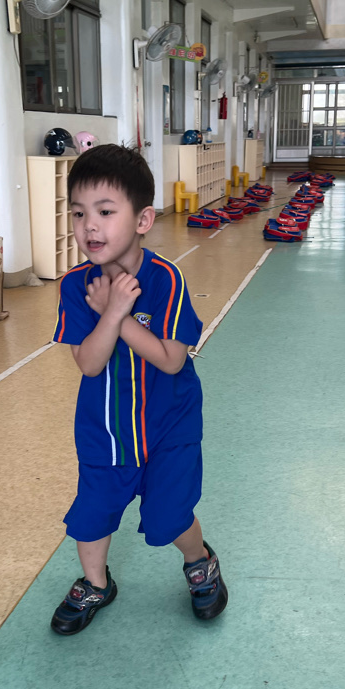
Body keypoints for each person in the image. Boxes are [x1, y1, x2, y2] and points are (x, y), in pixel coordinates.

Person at [49, 144, 227, 635]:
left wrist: (119, 314)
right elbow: (89, 363)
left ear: (143, 219)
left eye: (106, 212)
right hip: (105, 431)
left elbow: (171, 359)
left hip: (169, 426)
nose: (90, 226)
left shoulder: (165, 279)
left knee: (170, 515)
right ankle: (96, 583)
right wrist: (110, 311)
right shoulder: (75, 286)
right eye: (79, 213)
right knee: (91, 515)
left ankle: (199, 561)